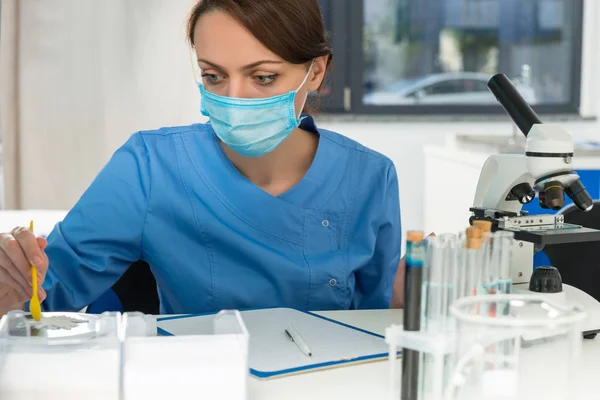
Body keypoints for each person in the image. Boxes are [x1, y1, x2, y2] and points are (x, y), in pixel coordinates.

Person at [0, 0, 406, 316]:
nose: (233, 98)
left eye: (263, 77)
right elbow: (44, 294)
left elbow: (374, 324)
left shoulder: (370, 177)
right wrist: (12, 281)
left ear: (315, 72)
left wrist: (416, 299)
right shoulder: (150, 167)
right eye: (214, 75)